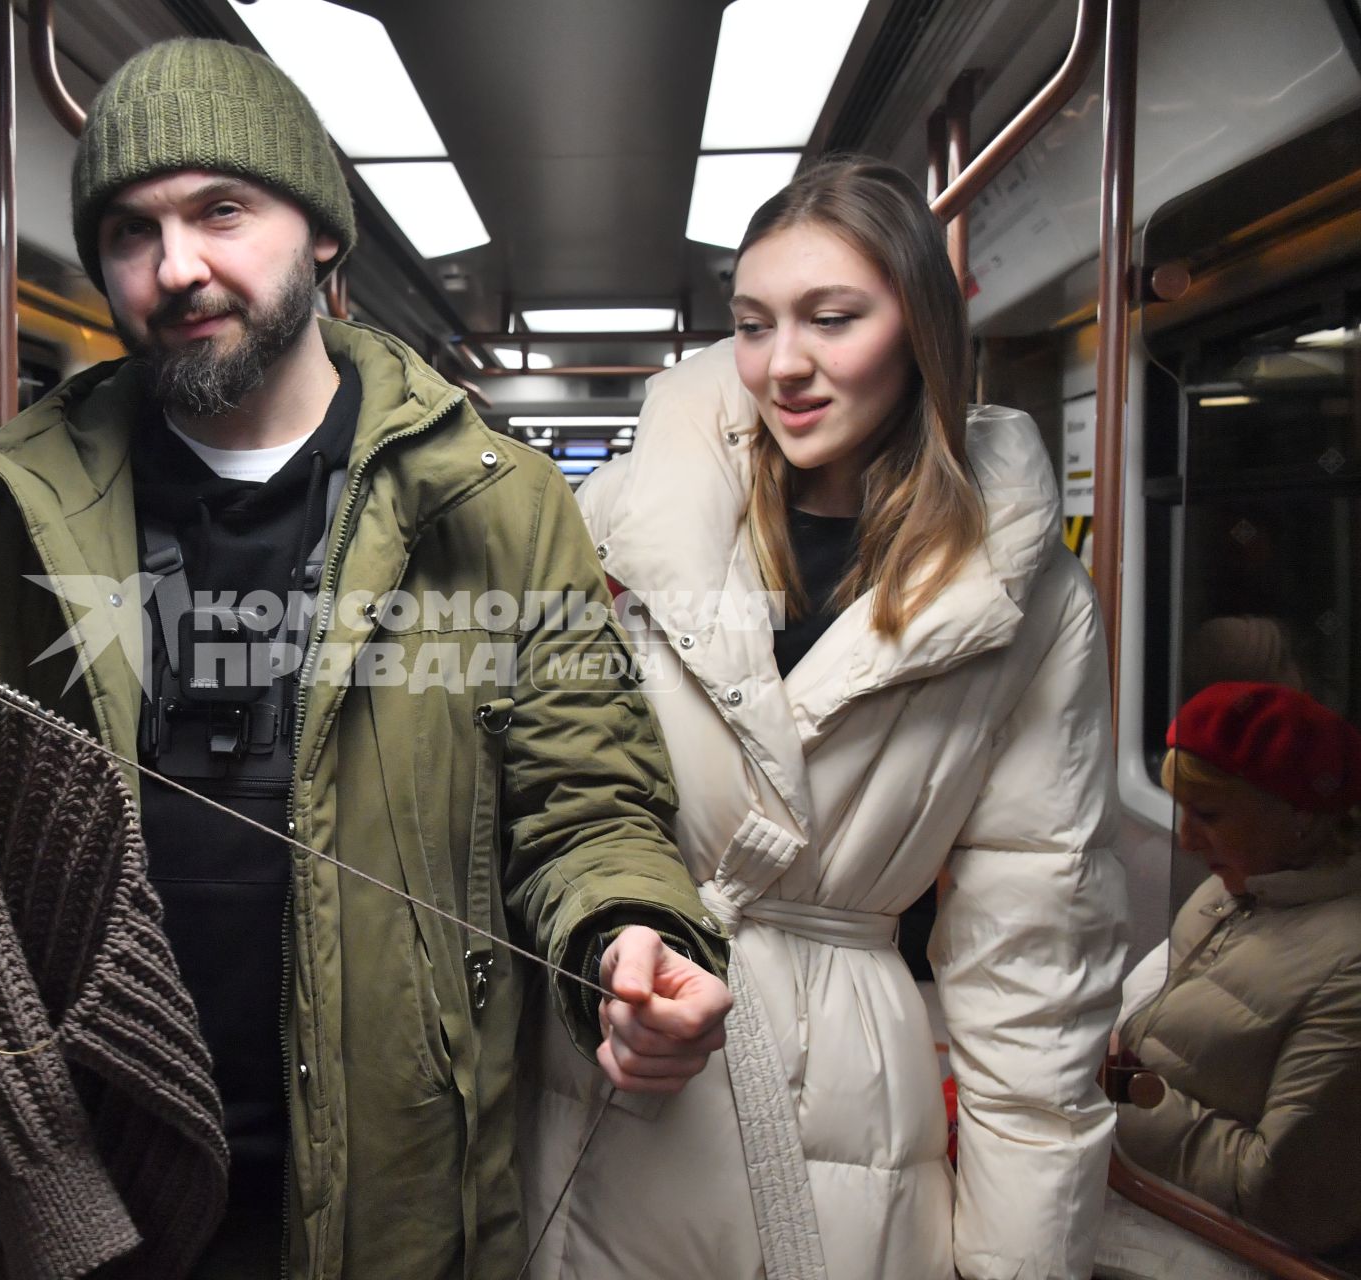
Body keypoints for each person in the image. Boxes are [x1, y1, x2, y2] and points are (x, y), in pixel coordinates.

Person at [0, 37, 732, 1280]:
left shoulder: (490, 502)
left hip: (398, 1186)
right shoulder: (7, 517)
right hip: (82, 1182)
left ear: (322, 234)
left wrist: (630, 930)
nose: (177, 267)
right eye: (131, 230)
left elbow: (584, 792)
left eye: (222, 210)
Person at [523, 157, 1129, 1280]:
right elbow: (539, 789)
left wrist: (1020, 1260)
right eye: (752, 325)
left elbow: (1033, 955)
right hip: (619, 1047)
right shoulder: (620, 523)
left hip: (852, 1092)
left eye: (833, 318)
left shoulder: (1026, 597)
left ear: (922, 334)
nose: (782, 365)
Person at [1114, 681, 1361, 1264]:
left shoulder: (1348, 964)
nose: (1187, 839)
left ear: (1299, 815)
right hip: (1145, 1197)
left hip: (1224, 1248)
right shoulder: (1222, 895)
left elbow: (1292, 1203)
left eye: (1208, 814)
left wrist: (1115, 1095)